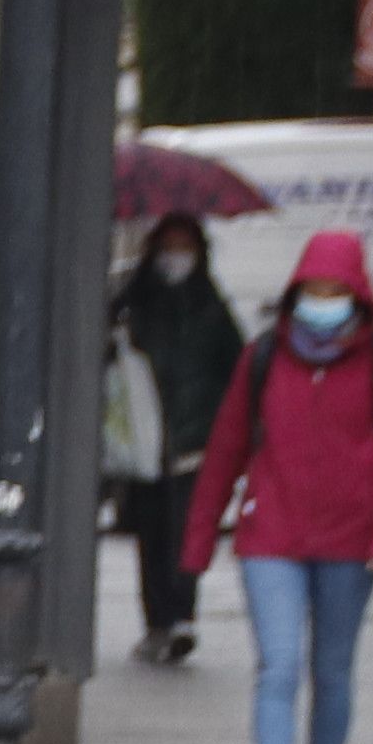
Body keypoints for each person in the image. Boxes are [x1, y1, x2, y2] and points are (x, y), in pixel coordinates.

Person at [180, 227, 373, 744]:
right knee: (279, 666)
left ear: (359, 297)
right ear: (296, 293)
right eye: (314, 290)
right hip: (273, 534)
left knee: (333, 673)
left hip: (353, 543)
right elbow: (226, 451)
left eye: (336, 291)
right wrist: (197, 540)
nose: (324, 302)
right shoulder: (264, 358)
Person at [114, 214, 243, 665]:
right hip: (144, 445)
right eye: (168, 247)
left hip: (194, 443)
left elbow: (237, 369)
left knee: (185, 531)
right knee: (151, 535)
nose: (175, 257)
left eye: (184, 247)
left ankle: (182, 617)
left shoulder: (210, 305)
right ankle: (157, 622)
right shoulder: (135, 301)